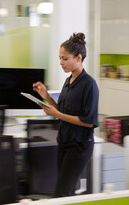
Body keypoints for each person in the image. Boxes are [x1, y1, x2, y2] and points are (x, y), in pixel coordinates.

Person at [32, 32, 99, 197]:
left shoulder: (89, 85)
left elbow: (88, 122)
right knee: (64, 191)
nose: (61, 62)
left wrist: (57, 114)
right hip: (64, 141)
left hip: (79, 145)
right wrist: (46, 97)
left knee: (62, 192)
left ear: (78, 58)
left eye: (65, 58)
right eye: (60, 58)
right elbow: (61, 110)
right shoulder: (68, 81)